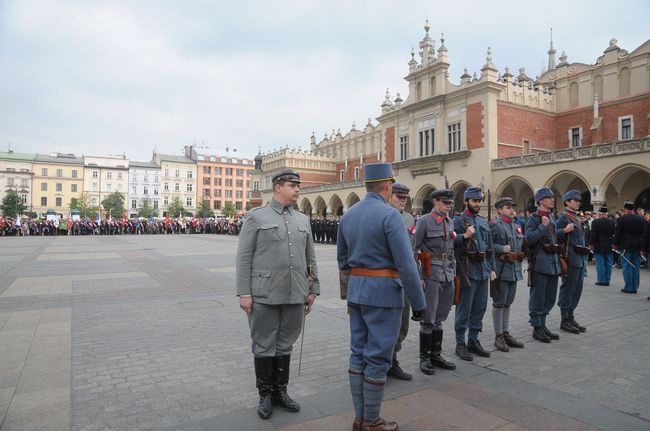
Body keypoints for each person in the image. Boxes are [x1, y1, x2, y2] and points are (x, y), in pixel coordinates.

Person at [337, 163, 426, 431]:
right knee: (377, 357)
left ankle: (360, 417)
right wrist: (419, 303)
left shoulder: (348, 215)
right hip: (385, 294)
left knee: (358, 353)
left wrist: (349, 294)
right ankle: (372, 420)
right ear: (387, 185)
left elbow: (343, 261)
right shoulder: (390, 216)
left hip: (358, 293)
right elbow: (407, 264)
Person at [235, 169, 320, 420]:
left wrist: (313, 288)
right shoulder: (256, 217)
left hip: (296, 292)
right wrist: (244, 293)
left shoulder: (302, 219)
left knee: (285, 343)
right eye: (293, 185)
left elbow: (310, 257)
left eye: (298, 185)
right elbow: (244, 258)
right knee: (264, 344)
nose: (298, 189)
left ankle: (281, 392)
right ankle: (265, 395)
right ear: (278, 187)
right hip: (264, 294)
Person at [414, 189, 458, 374]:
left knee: (440, 317)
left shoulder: (449, 221)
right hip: (430, 272)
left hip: (447, 272)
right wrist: (419, 276)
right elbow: (415, 247)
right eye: (446, 203)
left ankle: (436, 354)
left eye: (450, 203)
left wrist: (454, 270)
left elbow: (452, 249)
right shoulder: (424, 221)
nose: (449, 206)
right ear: (436, 202)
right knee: (428, 318)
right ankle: (425, 358)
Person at [452, 187, 496, 361]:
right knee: (464, 309)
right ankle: (460, 343)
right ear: (466, 201)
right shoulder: (458, 220)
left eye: (479, 201)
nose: (477, 204)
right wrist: (465, 235)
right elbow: (451, 241)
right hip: (467, 270)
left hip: (483, 269)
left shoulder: (483, 221)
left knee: (480, 308)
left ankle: (473, 340)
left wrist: (492, 268)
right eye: (474, 201)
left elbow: (490, 247)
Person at [386, 182, 417, 381]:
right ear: (389, 196)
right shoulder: (382, 216)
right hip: (386, 277)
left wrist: (417, 278)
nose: (403, 201)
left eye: (405, 198)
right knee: (385, 324)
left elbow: (412, 250)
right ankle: (380, 362)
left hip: (404, 278)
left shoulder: (408, 218)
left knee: (402, 323)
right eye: (399, 197)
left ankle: (393, 360)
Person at [525, 187, 561, 343]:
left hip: (553, 262)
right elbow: (529, 239)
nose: (552, 199)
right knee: (538, 296)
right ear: (540, 201)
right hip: (540, 262)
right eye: (549, 197)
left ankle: (543, 324)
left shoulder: (550, 216)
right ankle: (537, 327)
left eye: (553, 197)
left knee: (550, 297)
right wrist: (543, 226)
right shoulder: (535, 218)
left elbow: (553, 237)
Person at [489, 197, 525, 352]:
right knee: (499, 303)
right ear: (499, 210)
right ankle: (498, 336)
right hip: (502, 269)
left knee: (508, 303)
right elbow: (488, 246)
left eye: (512, 207)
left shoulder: (516, 225)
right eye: (507, 207)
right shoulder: (496, 226)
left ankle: (505, 333)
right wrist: (501, 248)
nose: (511, 209)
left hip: (514, 269)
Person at [556, 190, 589, 334]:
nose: (578, 203)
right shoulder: (563, 217)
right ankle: (564, 319)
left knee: (577, 290)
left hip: (580, 259)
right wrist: (564, 230)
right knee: (568, 289)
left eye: (579, 201)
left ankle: (571, 316)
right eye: (575, 200)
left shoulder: (576, 217)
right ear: (567, 202)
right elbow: (553, 234)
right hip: (570, 258)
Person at [613, 201, 645, 294]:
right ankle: (635, 286)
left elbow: (617, 234)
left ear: (625, 209)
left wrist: (615, 245)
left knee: (627, 266)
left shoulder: (621, 219)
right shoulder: (641, 219)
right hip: (638, 245)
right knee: (636, 266)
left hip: (625, 245)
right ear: (633, 209)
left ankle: (629, 287)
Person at [589, 206, 615, 286]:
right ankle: (607, 280)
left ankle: (601, 280)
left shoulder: (595, 222)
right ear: (606, 213)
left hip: (598, 243)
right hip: (610, 243)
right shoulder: (612, 222)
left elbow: (593, 234)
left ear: (600, 213)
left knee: (600, 263)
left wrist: (591, 244)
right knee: (609, 263)